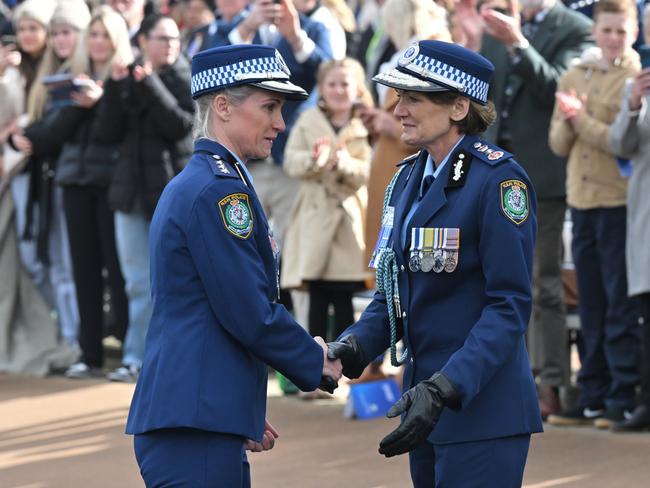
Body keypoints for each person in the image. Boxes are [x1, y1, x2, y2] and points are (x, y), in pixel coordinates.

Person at [327, 40, 543, 487]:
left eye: (414, 98)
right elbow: (394, 291)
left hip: (481, 409)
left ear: (459, 106)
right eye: (399, 96)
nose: (399, 108)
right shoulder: (407, 179)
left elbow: (509, 306)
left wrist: (447, 386)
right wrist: (353, 346)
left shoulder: (498, 181)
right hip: (423, 407)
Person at [125, 44, 342, 487]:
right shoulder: (220, 192)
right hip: (193, 427)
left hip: (199, 417)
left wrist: (236, 412)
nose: (280, 123)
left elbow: (208, 310)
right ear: (222, 106)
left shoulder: (206, 181)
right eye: (269, 107)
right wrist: (314, 360)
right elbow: (247, 310)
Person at [457, 0, 593, 418]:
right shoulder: (495, 25)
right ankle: (500, 377)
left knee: (542, 281)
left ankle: (550, 383)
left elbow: (558, 89)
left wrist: (518, 44)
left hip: (544, 180)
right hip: (492, 176)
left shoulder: (576, 28)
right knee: (491, 277)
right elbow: (486, 102)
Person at [19, 5, 134, 378]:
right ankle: (90, 353)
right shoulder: (73, 75)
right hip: (73, 180)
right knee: (83, 268)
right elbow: (55, 131)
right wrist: (80, 101)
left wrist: (100, 101)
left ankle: (128, 351)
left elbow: (116, 131)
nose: (98, 42)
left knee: (117, 271)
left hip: (111, 183)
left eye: (104, 35)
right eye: (94, 35)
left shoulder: (125, 76)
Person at [546, 0, 641, 430]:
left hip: (619, 204)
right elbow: (557, 144)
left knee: (618, 304)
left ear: (634, 33)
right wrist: (570, 121)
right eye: (607, 30)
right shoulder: (572, 75)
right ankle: (593, 393)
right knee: (591, 304)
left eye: (621, 31)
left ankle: (622, 393)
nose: (613, 39)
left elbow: (620, 141)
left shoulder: (633, 80)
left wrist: (579, 117)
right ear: (595, 32)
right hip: (580, 202)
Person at [97, 13, 194, 383]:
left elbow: (180, 126)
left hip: (169, 194)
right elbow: (107, 132)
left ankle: (167, 356)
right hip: (129, 193)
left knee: (171, 279)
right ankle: (135, 356)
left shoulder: (184, 76)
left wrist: (150, 83)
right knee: (136, 281)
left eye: (175, 39)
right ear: (143, 42)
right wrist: (117, 88)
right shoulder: (128, 77)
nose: (170, 45)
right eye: (162, 38)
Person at [281, 57, 372, 347]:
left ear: (357, 88)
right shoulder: (308, 121)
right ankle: (314, 367)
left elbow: (374, 169)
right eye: (331, 84)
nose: (338, 90)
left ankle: (344, 362)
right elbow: (290, 162)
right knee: (316, 294)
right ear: (321, 88)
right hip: (315, 217)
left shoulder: (366, 124)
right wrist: (314, 160)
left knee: (344, 294)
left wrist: (346, 164)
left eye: (345, 84)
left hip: (349, 218)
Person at [608, 35, 650, 433]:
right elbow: (620, 144)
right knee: (646, 315)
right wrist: (634, 106)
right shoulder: (634, 87)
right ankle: (647, 402)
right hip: (646, 217)